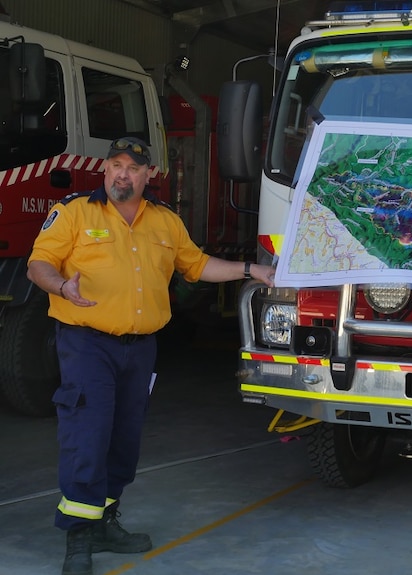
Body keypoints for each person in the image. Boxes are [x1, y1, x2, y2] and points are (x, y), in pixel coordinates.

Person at [26, 136, 275, 575]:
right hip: (87, 344)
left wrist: (252, 270)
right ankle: (78, 538)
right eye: (116, 165)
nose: (123, 173)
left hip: (140, 349)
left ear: (148, 175)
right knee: (88, 434)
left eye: (133, 167)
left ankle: (104, 521)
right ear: (105, 170)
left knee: (124, 439)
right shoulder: (75, 212)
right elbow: (38, 264)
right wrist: (62, 286)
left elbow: (197, 266)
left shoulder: (164, 221)